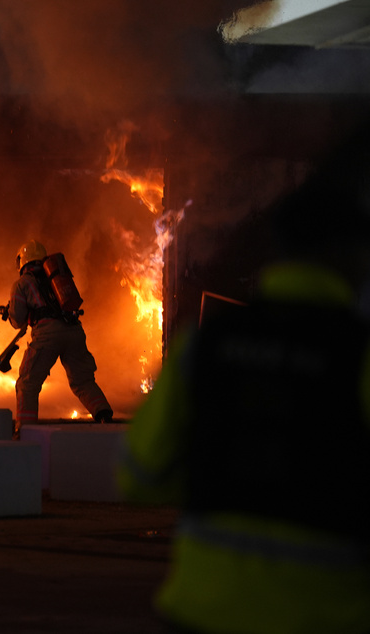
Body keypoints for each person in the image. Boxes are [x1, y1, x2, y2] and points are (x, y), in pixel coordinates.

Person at [117, 130, 370, 633]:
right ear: (351, 253)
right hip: (321, 615)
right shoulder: (357, 354)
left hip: (199, 610)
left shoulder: (205, 347)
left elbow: (137, 478)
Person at [2, 240, 113, 438]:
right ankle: (104, 415)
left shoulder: (22, 283)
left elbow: (17, 320)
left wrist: (8, 312)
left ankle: (24, 432)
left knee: (28, 382)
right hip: (74, 330)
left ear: (22, 261)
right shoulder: (56, 277)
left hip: (47, 335)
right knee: (83, 380)